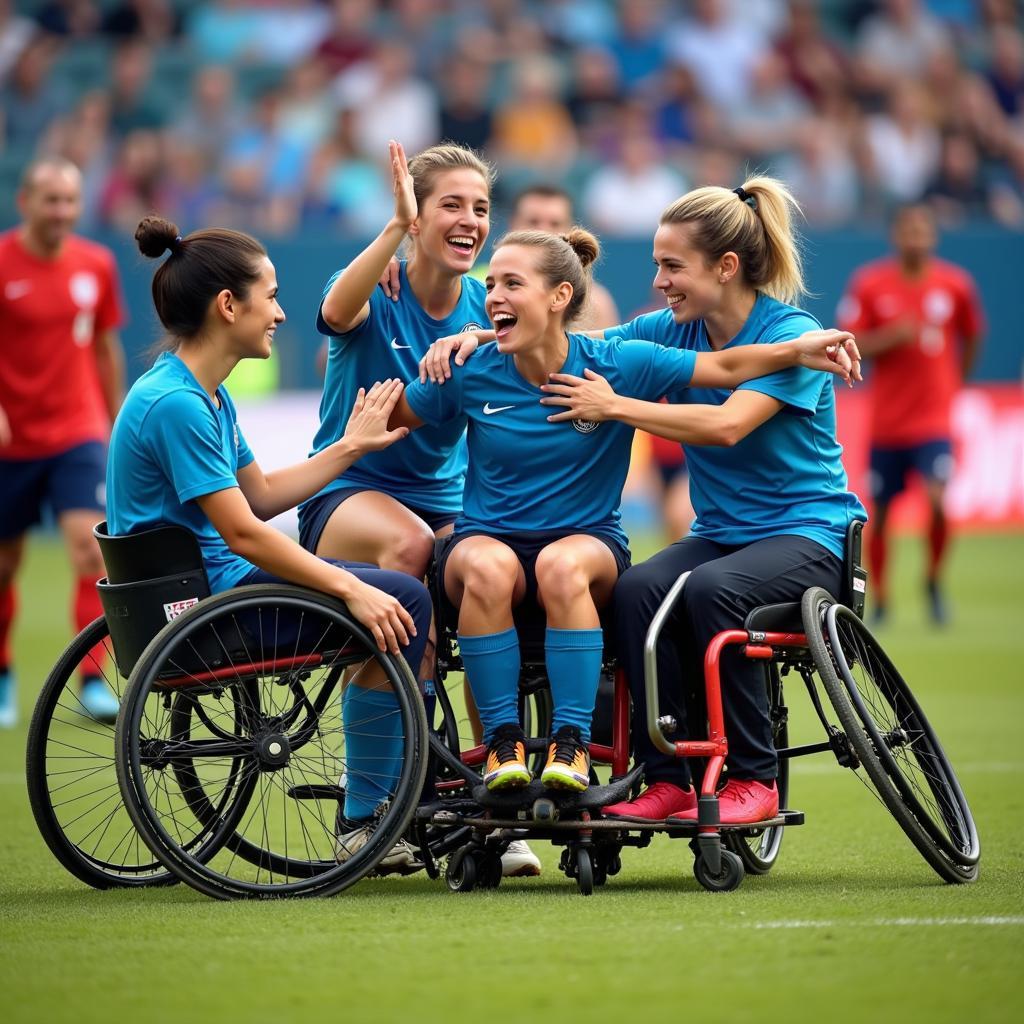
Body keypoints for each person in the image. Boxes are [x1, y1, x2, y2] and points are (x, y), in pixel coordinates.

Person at [421, 177, 866, 825]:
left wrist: (615, 406)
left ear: (727, 267)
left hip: (808, 535)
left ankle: (753, 777)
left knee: (713, 590)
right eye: (658, 265)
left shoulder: (796, 334)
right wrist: (486, 338)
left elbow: (727, 425)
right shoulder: (671, 329)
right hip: (722, 532)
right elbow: (580, 342)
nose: (659, 280)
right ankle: (669, 781)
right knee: (636, 590)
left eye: (671, 266)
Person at [109, 215, 433, 872]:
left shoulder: (200, 393)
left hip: (197, 592)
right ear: (229, 305)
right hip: (205, 606)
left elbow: (257, 495)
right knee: (403, 598)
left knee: (388, 591)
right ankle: (367, 814)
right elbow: (244, 531)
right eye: (272, 295)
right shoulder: (178, 405)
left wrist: (351, 446)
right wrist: (350, 586)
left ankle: (389, 787)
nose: (282, 313)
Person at [0, 157, 127, 727]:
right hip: (10, 439)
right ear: (24, 201)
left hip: (77, 431)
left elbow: (104, 346)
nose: (60, 212)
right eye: (50, 199)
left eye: (69, 201)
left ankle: (95, 679)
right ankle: (3, 673)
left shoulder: (96, 264)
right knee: (5, 566)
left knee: (89, 546)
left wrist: (120, 419)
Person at [837, 203, 984, 624]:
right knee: (880, 514)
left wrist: (954, 382)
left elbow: (973, 335)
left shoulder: (954, 284)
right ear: (895, 236)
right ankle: (882, 597)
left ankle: (934, 580)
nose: (915, 238)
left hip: (934, 419)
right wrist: (891, 337)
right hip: (888, 422)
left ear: (933, 236)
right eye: (908, 230)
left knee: (938, 501)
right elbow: (852, 342)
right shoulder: (870, 283)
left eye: (922, 230)